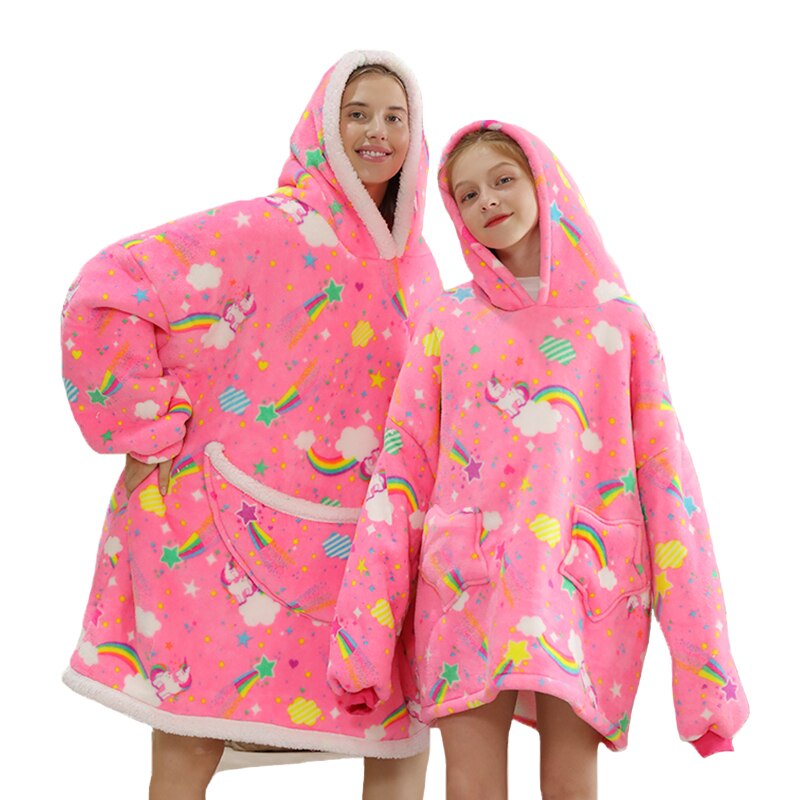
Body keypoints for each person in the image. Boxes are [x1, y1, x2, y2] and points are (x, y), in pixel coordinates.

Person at [327, 122, 749, 800]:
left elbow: (670, 487)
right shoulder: (447, 322)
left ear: (544, 183)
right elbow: (400, 474)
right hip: (464, 585)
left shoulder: (615, 322)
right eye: (467, 194)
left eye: (502, 180)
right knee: (471, 785)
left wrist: (707, 677)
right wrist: (363, 641)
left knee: (570, 784)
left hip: (582, 585)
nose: (487, 201)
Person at [60, 50, 442, 800]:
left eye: (395, 116)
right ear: (321, 127)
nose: (377, 130)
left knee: (400, 734)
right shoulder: (265, 229)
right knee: (193, 726)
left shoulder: (419, 264)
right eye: (357, 113)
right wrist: (143, 421)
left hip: (368, 549)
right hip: (231, 531)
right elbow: (110, 285)